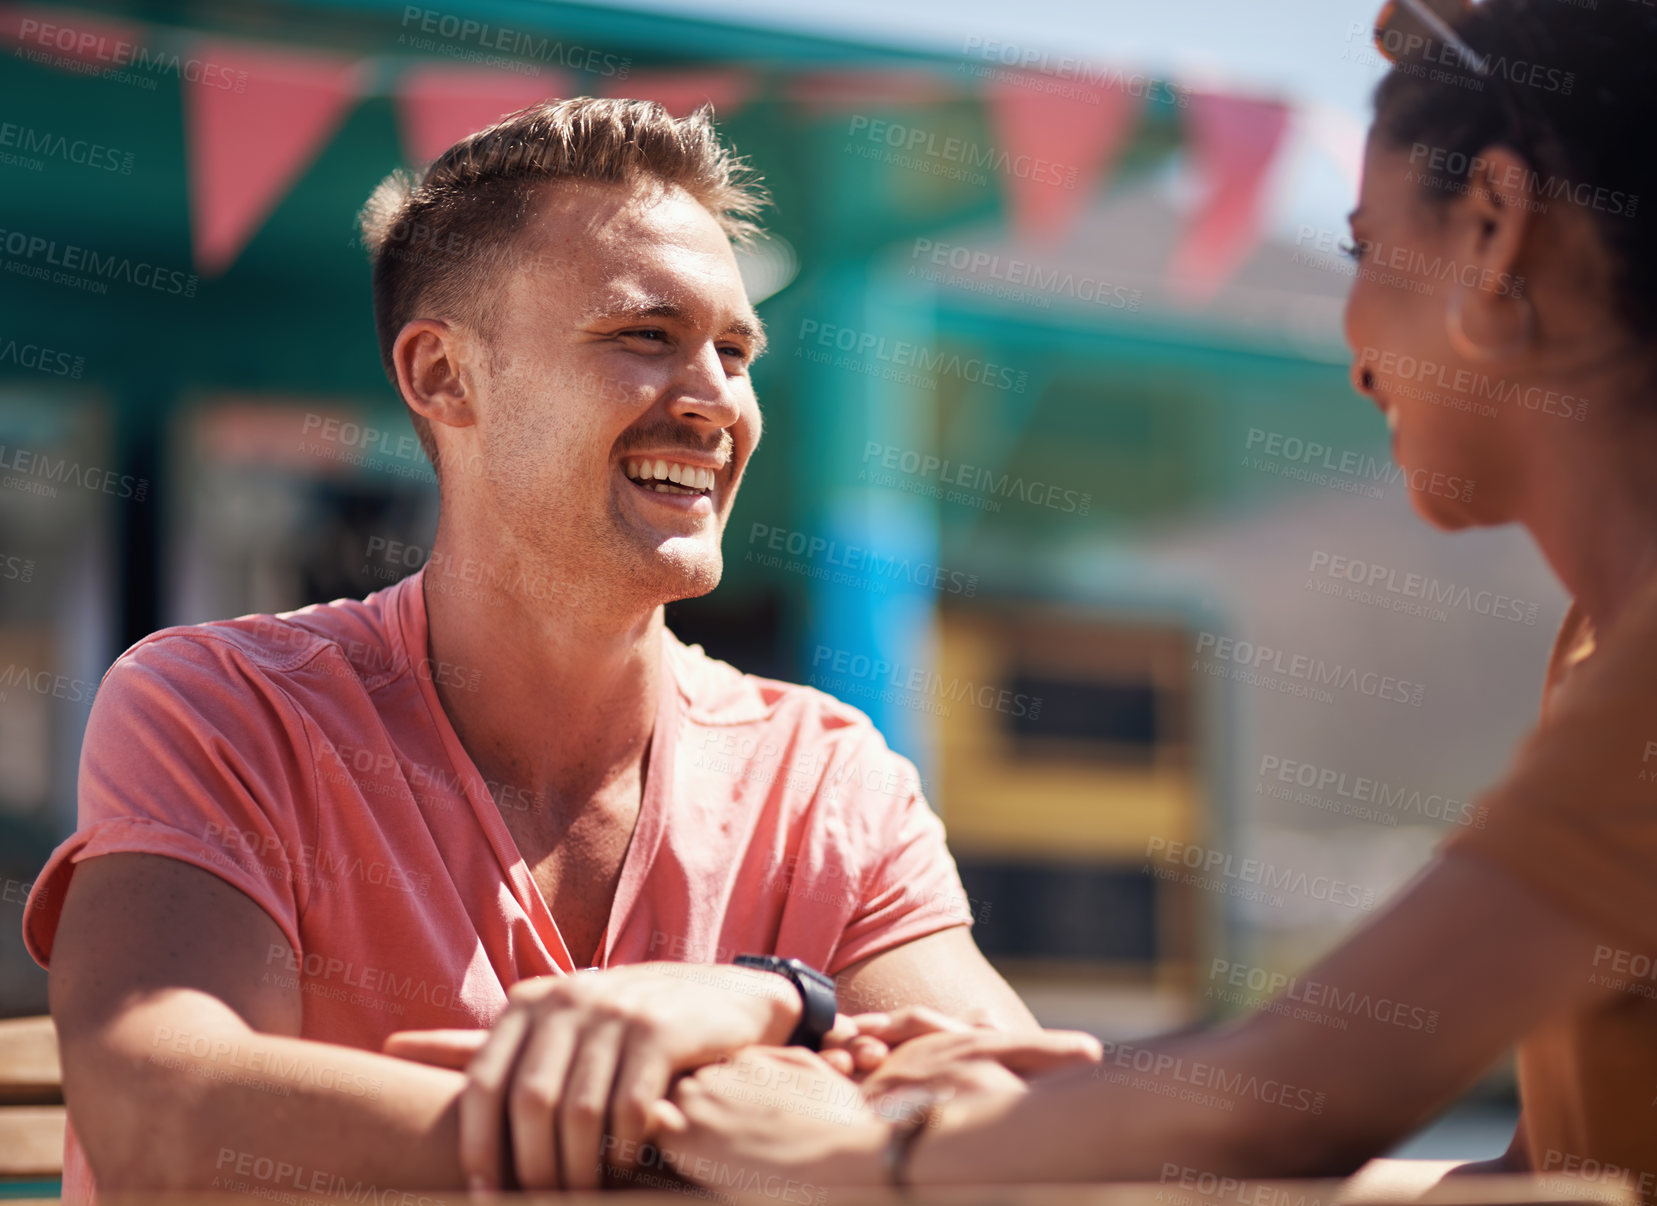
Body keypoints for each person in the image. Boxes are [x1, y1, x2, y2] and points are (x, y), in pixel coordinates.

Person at [652, 0, 1657, 1195]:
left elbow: (1293, 1103)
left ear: (1494, 230)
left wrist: (876, 1160)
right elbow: (1549, 1181)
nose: (1353, 343)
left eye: (1364, 250)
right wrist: (1059, 1126)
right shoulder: (1597, 648)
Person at [21, 98, 1058, 1203]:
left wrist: (764, 999)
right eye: (643, 336)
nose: (717, 400)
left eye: (736, 350)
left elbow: (1026, 1139)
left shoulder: (826, 776)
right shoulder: (223, 708)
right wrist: (717, 1127)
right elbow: (162, 1120)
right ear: (441, 377)